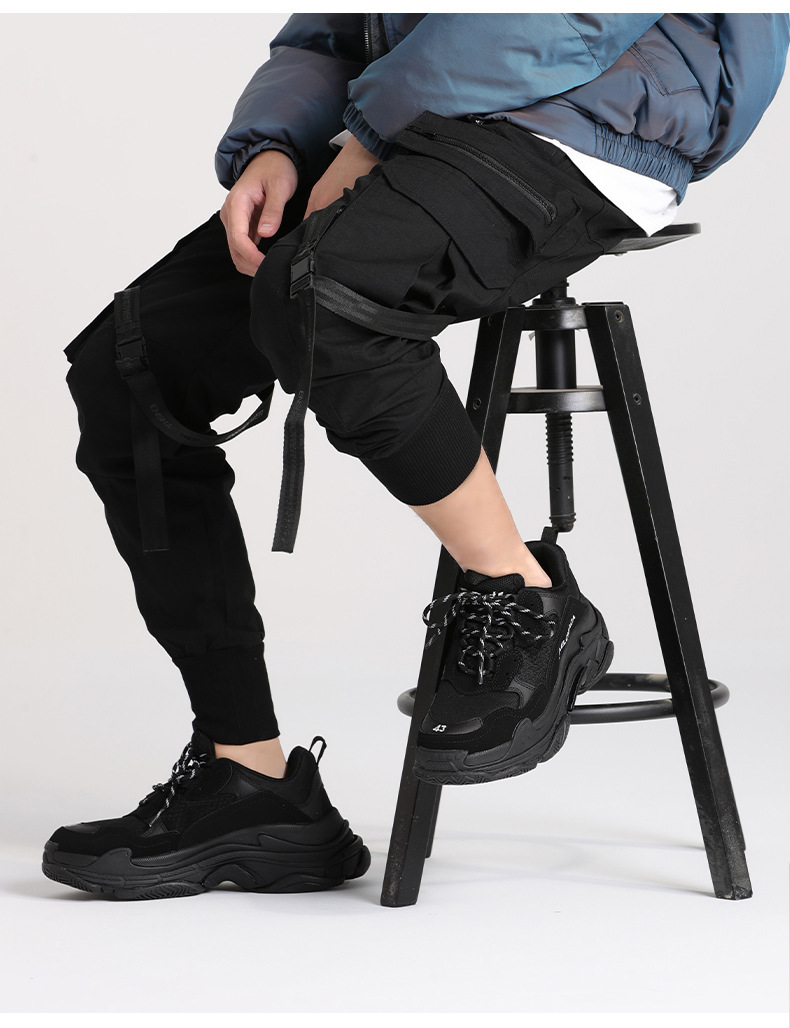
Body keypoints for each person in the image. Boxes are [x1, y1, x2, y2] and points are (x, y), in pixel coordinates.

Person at [43, 13, 788, 900]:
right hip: (415, 119)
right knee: (133, 368)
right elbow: (334, 33)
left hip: (584, 118)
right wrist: (273, 143)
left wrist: (368, 133)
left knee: (325, 293)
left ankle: (525, 597)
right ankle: (250, 778)